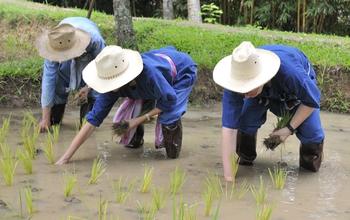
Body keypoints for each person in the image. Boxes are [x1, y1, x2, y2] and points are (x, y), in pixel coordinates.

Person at [55, 45, 197, 165]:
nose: (110, 87)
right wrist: (66, 157)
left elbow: (170, 99)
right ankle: (136, 140)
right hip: (146, 81)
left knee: (169, 117)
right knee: (130, 124)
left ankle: (172, 157)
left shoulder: (150, 75)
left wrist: (138, 120)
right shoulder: (110, 84)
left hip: (181, 71)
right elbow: (92, 121)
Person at [213, 41, 325, 182]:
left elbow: (311, 101)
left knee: (312, 133)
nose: (245, 94)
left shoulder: (292, 74)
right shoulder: (235, 79)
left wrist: (288, 129)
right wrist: (229, 178)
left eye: (248, 87)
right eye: (241, 89)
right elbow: (229, 130)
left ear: (261, 78)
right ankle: (245, 159)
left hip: (292, 91)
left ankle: (309, 172)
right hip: (262, 90)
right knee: (245, 121)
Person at [35, 17, 105, 132]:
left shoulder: (94, 41)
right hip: (65, 66)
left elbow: (102, 67)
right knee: (53, 122)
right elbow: (48, 81)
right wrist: (45, 118)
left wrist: (88, 87)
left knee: (87, 126)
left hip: (90, 64)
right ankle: (55, 115)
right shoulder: (54, 45)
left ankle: (87, 116)